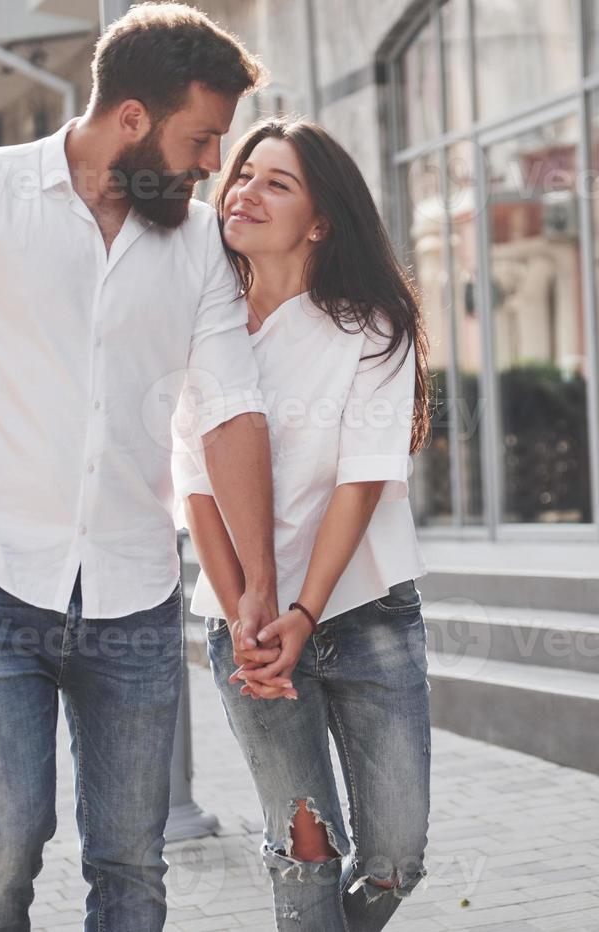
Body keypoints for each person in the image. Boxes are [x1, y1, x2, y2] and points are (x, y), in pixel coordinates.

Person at [0, 2, 285, 932]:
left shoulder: (195, 249)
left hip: (134, 595)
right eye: (202, 137)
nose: (213, 165)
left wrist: (258, 582)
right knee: (4, 845)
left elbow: (229, 411)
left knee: (134, 863)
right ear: (131, 118)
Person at [174, 116, 432, 931]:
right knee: (305, 854)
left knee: (395, 857)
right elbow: (196, 491)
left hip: (363, 614)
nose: (243, 189)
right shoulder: (198, 327)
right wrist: (249, 615)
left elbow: (361, 483)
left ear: (319, 220)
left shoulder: (368, 325)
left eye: (274, 181)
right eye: (242, 173)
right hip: (245, 630)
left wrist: (302, 611)